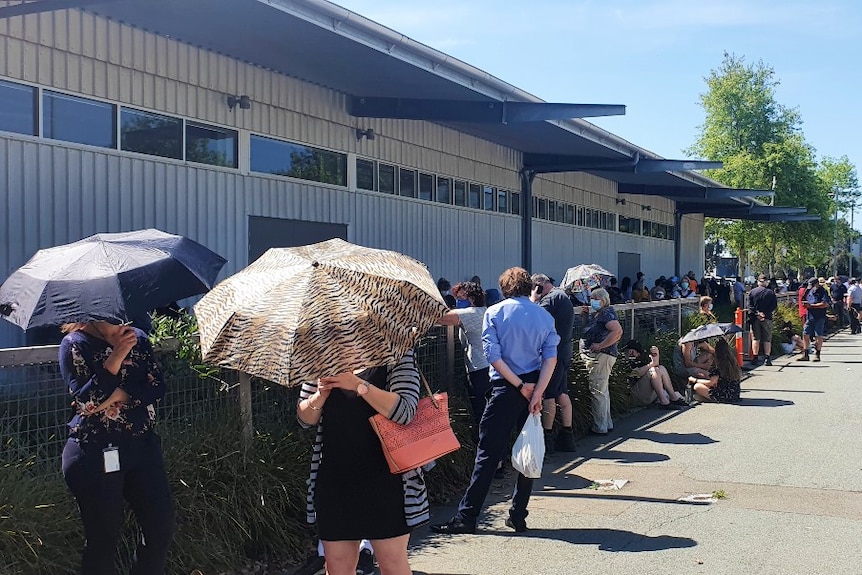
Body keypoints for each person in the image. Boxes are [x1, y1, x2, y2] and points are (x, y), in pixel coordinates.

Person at [431, 267, 558, 535]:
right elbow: (551, 358)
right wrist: (536, 393)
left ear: (503, 289)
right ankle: (518, 514)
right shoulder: (544, 316)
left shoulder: (495, 312)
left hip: (505, 387)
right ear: (528, 287)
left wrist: (519, 385)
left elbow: (493, 356)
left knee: (487, 454)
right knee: (529, 450)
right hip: (536, 385)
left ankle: (467, 516)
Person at [58, 320, 174, 575]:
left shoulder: (139, 338)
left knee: (160, 528)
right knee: (102, 540)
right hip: (93, 452)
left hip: (142, 447)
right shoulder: (75, 345)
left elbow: (156, 387)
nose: (120, 320)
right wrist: (117, 355)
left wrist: (120, 394)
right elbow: (87, 403)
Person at [297, 350, 424, 575]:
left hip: (387, 478)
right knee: (336, 565)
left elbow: (405, 412)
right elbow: (305, 419)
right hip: (335, 478)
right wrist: (320, 395)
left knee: (392, 563)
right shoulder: (320, 353)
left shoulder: (396, 352)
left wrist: (357, 385)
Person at [531, 273, 576, 453]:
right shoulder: (561, 296)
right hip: (564, 351)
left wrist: (533, 298)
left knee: (549, 395)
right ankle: (567, 434)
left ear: (539, 285)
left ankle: (547, 437)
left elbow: (535, 315)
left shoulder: (552, 298)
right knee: (561, 393)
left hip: (554, 354)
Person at [436, 281, 490, 427]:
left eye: (461, 298)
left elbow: (441, 318)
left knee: (480, 407)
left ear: (471, 298)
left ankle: (482, 442)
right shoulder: (486, 311)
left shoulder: (472, 314)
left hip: (479, 368)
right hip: (490, 366)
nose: (458, 302)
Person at [579, 288, 623, 435]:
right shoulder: (598, 314)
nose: (592, 301)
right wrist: (585, 316)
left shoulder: (606, 314)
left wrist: (600, 345)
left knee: (597, 390)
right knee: (602, 390)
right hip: (599, 356)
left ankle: (600, 426)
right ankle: (606, 423)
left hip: (602, 356)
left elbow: (617, 331)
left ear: (602, 300)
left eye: (594, 298)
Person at [622, 339, 687, 409]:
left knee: (660, 368)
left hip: (647, 394)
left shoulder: (640, 361)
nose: (636, 355)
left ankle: (674, 398)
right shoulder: (624, 363)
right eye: (632, 352)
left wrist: (656, 358)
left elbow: (655, 370)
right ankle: (664, 402)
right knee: (653, 370)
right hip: (634, 397)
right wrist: (652, 364)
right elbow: (637, 373)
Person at [688, 338, 742, 403]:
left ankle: (712, 399)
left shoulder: (720, 366)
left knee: (697, 386)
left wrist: (695, 380)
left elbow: (711, 382)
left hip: (724, 395)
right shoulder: (733, 362)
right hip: (734, 394)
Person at [748, 274, 778, 366]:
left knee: (755, 338)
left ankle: (755, 358)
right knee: (767, 338)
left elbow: (749, 306)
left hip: (755, 318)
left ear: (758, 282)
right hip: (767, 317)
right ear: (766, 282)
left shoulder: (752, 292)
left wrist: (757, 313)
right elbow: (774, 306)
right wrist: (764, 313)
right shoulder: (770, 293)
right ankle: (767, 358)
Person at [799, 277, 831, 362]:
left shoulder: (822, 291)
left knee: (818, 335)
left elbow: (824, 304)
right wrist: (805, 299)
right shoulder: (810, 291)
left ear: (817, 283)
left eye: (812, 285)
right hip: (809, 315)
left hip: (819, 316)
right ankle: (805, 354)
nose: (811, 287)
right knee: (805, 333)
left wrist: (812, 306)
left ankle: (817, 354)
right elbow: (803, 299)